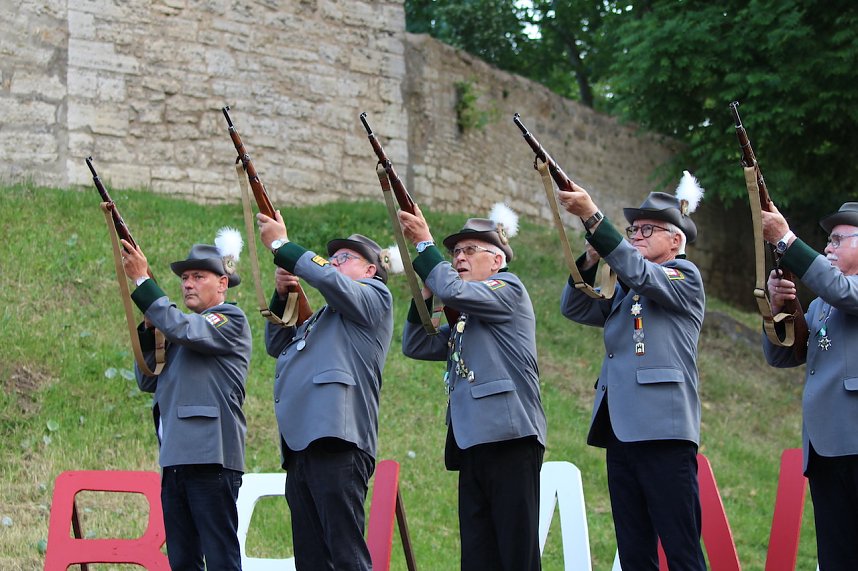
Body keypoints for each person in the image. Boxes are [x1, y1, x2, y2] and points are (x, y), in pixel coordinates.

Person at [558, 174, 707, 570]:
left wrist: (593, 218)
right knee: (634, 549)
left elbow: (641, 273)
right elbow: (574, 308)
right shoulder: (624, 287)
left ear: (675, 241)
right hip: (621, 428)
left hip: (663, 430)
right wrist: (591, 258)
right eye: (632, 229)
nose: (636, 236)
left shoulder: (683, 276)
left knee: (682, 550)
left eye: (647, 229)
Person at [398, 203, 547, 571]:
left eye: (468, 251)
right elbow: (416, 345)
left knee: (516, 554)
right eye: (454, 253)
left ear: (496, 261)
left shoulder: (508, 288)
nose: (459, 258)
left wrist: (424, 248)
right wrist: (426, 292)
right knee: (479, 557)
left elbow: (453, 290)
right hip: (473, 442)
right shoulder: (466, 314)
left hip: (509, 438)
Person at [256, 210, 394, 571]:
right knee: (313, 559)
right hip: (304, 444)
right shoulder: (323, 316)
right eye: (332, 258)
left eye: (345, 258)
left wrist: (282, 245)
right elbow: (278, 342)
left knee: (346, 554)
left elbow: (327, 280)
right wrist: (283, 293)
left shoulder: (375, 297)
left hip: (339, 438)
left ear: (370, 271)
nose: (334, 262)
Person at [121, 227, 251, 571]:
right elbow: (148, 378)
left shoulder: (229, 319)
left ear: (222, 283)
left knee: (221, 557)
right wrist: (151, 328)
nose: (188, 283)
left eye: (198, 276)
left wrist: (143, 287)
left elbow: (186, 329)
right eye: (185, 277)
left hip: (212, 456)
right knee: (183, 560)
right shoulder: (179, 328)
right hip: (177, 455)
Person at [761, 201, 858, 569]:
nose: (828, 248)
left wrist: (786, 240)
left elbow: (843, 291)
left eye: (837, 240)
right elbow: (784, 355)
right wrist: (781, 306)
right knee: (837, 558)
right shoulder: (820, 305)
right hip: (825, 448)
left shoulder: (839, 293)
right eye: (827, 241)